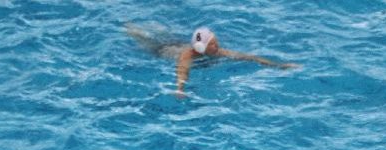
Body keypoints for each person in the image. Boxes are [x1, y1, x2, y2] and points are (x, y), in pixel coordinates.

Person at [126, 25, 298, 97]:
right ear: (203, 48)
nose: (218, 46)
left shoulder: (218, 52)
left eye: (216, 41)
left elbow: (248, 57)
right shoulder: (187, 56)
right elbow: (182, 71)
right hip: (162, 51)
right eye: (213, 44)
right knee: (146, 41)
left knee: (160, 32)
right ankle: (130, 29)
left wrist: (278, 66)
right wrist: (180, 89)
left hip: (177, 44)